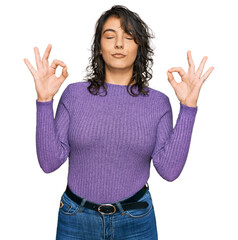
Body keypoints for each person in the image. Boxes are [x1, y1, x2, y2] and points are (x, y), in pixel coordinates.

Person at [24, 5, 214, 240]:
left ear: (139, 47)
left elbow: (169, 171)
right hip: (76, 220)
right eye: (110, 36)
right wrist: (44, 101)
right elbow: (49, 163)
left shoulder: (158, 103)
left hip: (135, 221)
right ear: (99, 48)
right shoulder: (74, 95)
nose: (119, 44)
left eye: (129, 36)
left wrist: (188, 108)